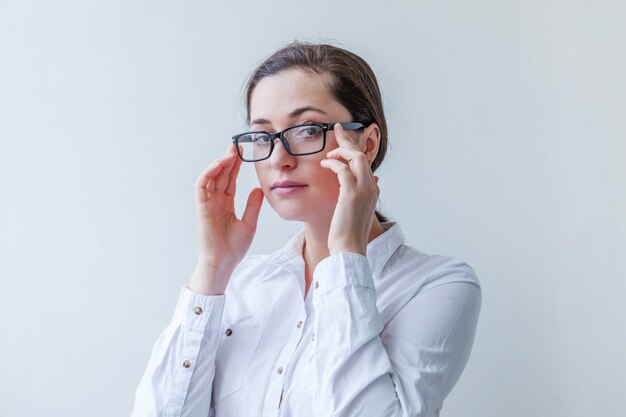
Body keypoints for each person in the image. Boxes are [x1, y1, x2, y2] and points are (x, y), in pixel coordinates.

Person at [131, 41, 482, 417]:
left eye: (308, 130)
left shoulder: (437, 285)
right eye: (263, 135)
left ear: (367, 144)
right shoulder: (241, 283)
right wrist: (213, 267)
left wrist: (346, 253)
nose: (278, 159)